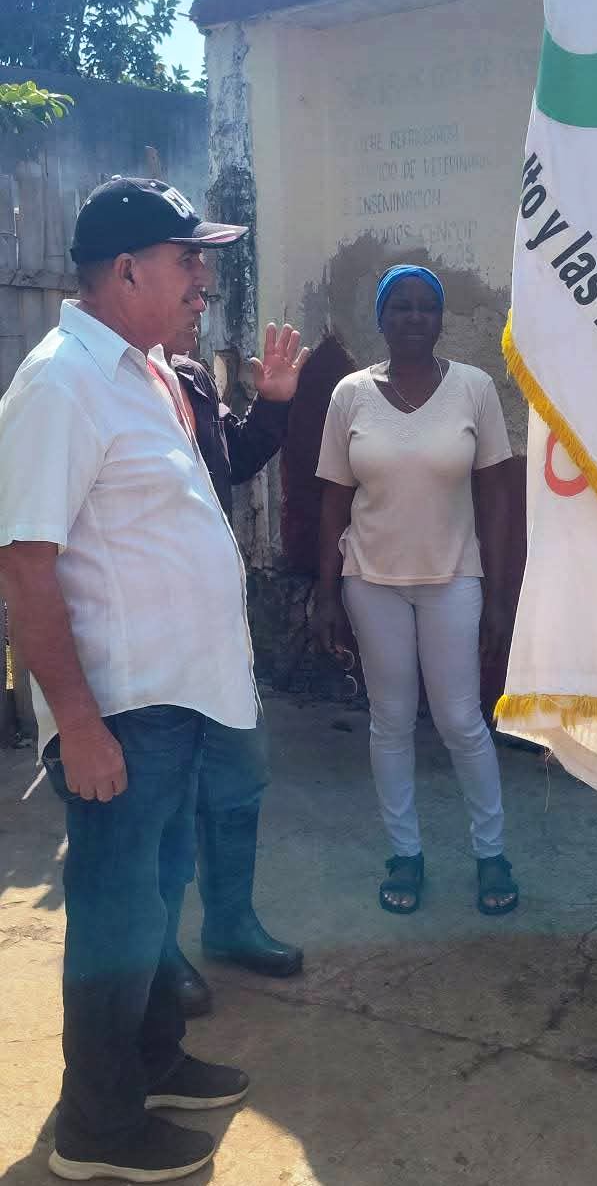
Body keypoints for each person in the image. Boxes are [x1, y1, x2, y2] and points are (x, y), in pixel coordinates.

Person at [0, 177, 257, 1184]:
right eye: (188, 260)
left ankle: (153, 1062)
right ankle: (98, 1129)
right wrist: (77, 721)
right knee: (115, 914)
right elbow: (26, 565)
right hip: (120, 710)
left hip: (177, 700)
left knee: (154, 897)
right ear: (125, 269)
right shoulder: (59, 383)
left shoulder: (141, 371)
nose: (203, 280)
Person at [315, 265, 519, 916]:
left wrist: (500, 593)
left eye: (425, 307)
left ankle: (491, 853)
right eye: (399, 307)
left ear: (440, 318)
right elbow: (333, 499)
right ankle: (405, 853)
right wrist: (325, 594)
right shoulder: (350, 394)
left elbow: (497, 497)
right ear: (381, 318)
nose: (412, 317)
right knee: (391, 720)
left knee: (461, 720)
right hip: (370, 579)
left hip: (453, 576)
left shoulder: (474, 389)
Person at [161, 313, 308, 1018]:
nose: (200, 296)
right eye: (186, 272)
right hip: (149, 634)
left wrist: (272, 403)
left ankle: (230, 923)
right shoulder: (94, 382)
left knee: (238, 776)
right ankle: (156, 950)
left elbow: (237, 459)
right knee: (161, 797)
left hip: (219, 629)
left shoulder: (189, 378)